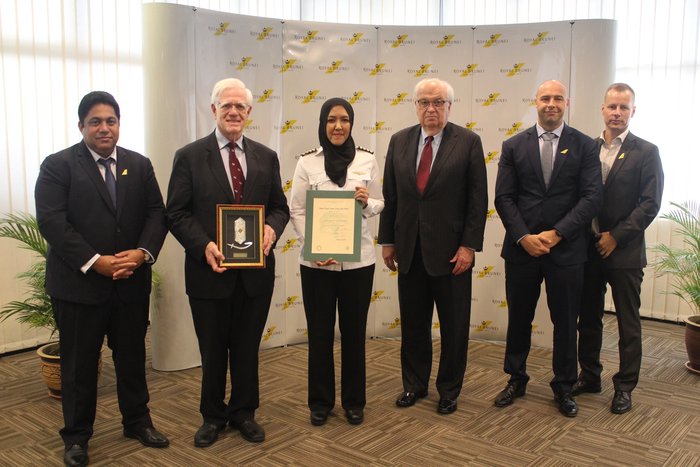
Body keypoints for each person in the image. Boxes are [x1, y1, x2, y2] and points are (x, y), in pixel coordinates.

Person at [35, 91, 169, 467]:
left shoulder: (139, 165)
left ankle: (138, 422)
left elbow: (156, 213)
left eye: (111, 121)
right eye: (95, 121)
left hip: (130, 282)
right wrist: (95, 262)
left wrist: (142, 253)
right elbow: (52, 221)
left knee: (132, 359)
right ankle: (77, 438)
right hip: (79, 287)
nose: (104, 128)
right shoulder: (58, 165)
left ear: (119, 125)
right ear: (81, 126)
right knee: (79, 366)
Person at [165, 78, 289, 447]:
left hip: (255, 275)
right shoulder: (189, 156)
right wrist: (203, 245)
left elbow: (279, 207)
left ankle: (244, 413)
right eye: (226, 105)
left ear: (249, 112)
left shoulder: (266, 156)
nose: (233, 112)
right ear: (213, 110)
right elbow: (176, 212)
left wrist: (271, 229)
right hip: (209, 272)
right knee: (213, 349)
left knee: (248, 348)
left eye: (240, 107)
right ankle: (212, 416)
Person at [493, 80, 603, 418]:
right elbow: (504, 198)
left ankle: (564, 386)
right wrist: (524, 237)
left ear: (566, 103)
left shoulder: (585, 145)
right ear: (536, 102)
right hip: (522, 250)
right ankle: (516, 378)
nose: (551, 103)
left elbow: (591, 197)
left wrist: (557, 234)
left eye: (557, 98)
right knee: (519, 318)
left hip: (567, 251)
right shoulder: (513, 145)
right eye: (545, 98)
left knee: (566, 321)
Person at [378, 78, 488, 415]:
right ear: (415, 106)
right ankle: (414, 385)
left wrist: (469, 247)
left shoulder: (468, 142)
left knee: (454, 328)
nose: (431, 109)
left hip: (452, 254)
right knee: (413, 325)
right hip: (409, 251)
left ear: (449, 106)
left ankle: (449, 390)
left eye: (438, 102)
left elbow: (477, 200)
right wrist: (387, 240)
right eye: (424, 102)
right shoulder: (399, 141)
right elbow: (391, 196)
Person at [289, 98, 384, 427]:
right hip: (316, 265)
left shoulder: (367, 160)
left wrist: (367, 203)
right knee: (319, 333)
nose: (338, 126)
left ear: (352, 124)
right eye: (331, 120)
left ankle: (354, 402)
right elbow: (297, 209)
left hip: (359, 263)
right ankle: (320, 402)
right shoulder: (307, 163)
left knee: (354, 334)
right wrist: (312, 245)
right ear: (323, 124)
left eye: (344, 120)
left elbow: (380, 202)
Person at [574, 83, 664, 414]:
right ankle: (589, 376)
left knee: (628, 323)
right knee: (589, 318)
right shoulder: (587, 148)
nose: (617, 112)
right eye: (612, 106)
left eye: (623, 107)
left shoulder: (647, 151)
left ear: (632, 111)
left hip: (624, 251)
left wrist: (616, 236)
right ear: (603, 109)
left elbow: (650, 203)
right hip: (588, 250)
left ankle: (624, 387)